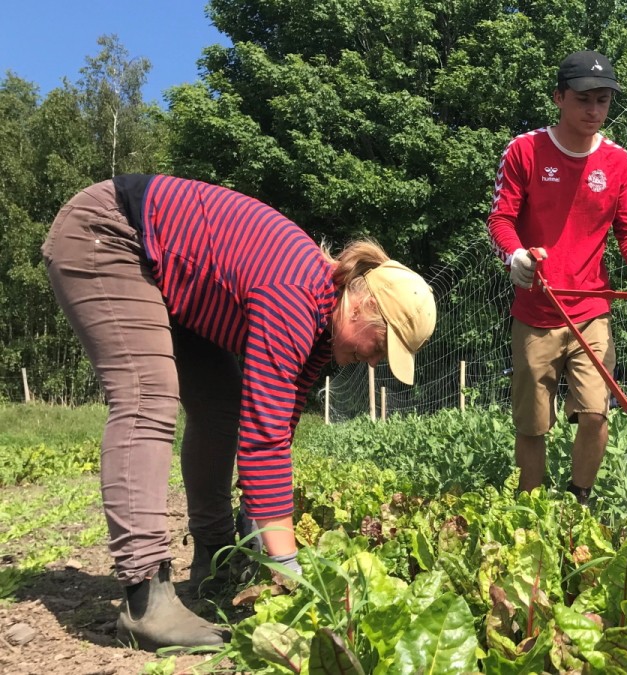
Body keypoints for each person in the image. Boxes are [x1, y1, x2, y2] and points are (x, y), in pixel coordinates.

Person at [41, 175, 436, 650]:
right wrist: (288, 569)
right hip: (111, 233)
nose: (375, 362)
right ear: (364, 304)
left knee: (221, 408)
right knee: (149, 396)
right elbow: (263, 440)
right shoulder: (294, 294)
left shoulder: (321, 328)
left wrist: (258, 530)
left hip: (166, 274)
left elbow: (277, 420)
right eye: (382, 347)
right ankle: (146, 598)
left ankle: (214, 557)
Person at [486, 50, 627, 506]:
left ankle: (579, 502)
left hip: (591, 308)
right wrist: (514, 255)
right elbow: (500, 219)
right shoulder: (525, 151)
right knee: (532, 424)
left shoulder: (617, 162)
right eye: (584, 100)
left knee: (595, 412)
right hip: (536, 310)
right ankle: (530, 509)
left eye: (604, 101)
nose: (595, 111)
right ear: (559, 98)